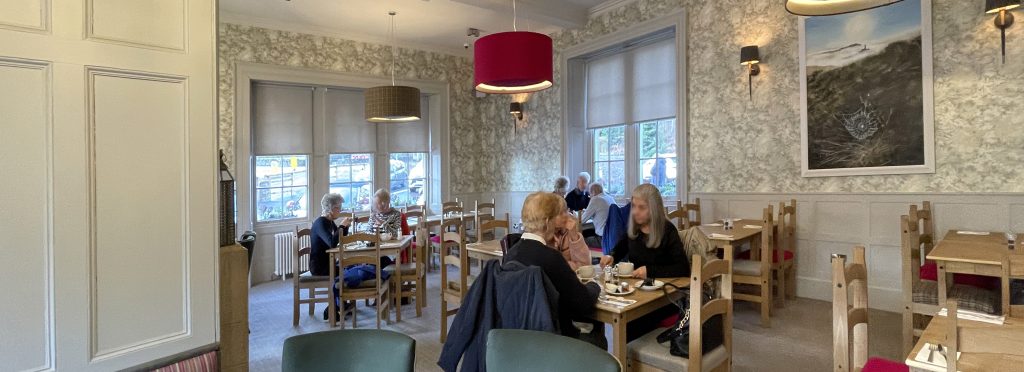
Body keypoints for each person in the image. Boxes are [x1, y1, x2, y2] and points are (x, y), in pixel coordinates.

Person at [599, 183, 690, 340]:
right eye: (634, 206)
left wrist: (650, 271)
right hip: (638, 293)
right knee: (619, 313)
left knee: (632, 323)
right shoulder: (634, 228)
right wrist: (611, 256)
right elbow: (621, 247)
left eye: (642, 207)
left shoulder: (667, 230)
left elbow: (683, 268)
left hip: (663, 298)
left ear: (654, 209)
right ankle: (628, 358)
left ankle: (635, 358)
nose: (635, 212)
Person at [505, 192, 601, 339]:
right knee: (596, 330)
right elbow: (583, 302)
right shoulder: (550, 257)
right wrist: (595, 285)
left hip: (519, 332)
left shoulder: (510, 254)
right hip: (553, 338)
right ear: (548, 221)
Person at [310, 193, 352, 319]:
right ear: (331, 209)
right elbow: (331, 242)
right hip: (320, 266)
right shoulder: (320, 223)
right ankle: (333, 308)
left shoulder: (329, 222)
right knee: (347, 272)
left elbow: (338, 240)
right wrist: (341, 226)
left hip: (329, 263)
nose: (340, 211)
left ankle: (341, 304)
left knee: (350, 268)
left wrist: (345, 228)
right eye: (338, 208)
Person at [580, 182, 615, 248]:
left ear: (593, 192)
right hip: (614, 238)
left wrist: (573, 217)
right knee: (588, 232)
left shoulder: (596, 199)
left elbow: (581, 220)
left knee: (579, 240)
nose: (589, 197)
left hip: (603, 240)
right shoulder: (610, 198)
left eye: (590, 194)